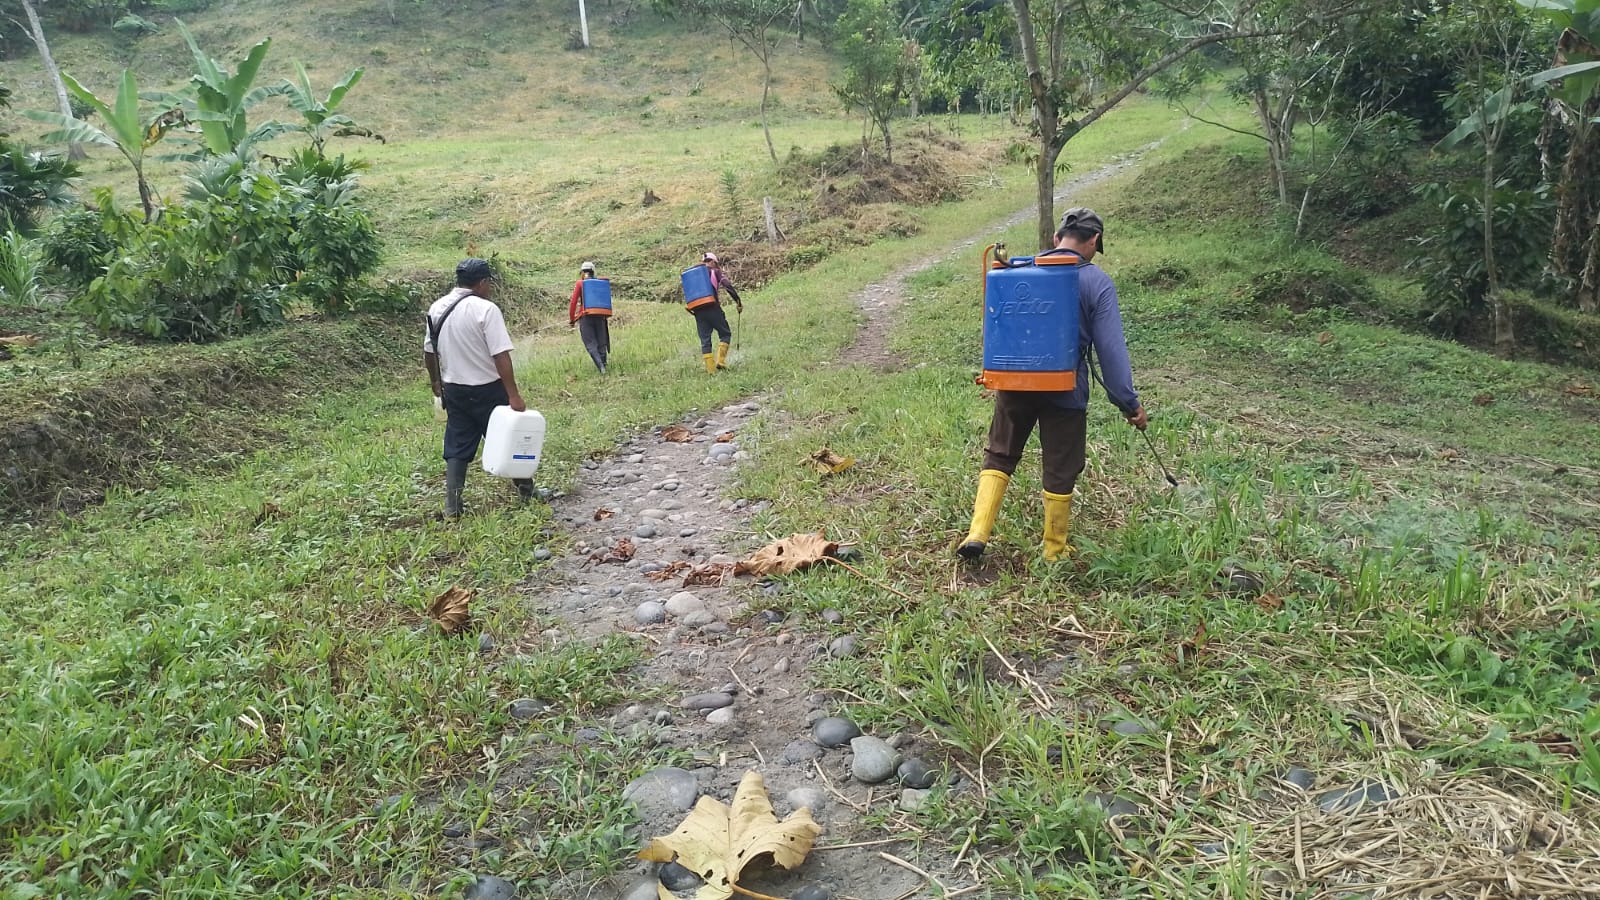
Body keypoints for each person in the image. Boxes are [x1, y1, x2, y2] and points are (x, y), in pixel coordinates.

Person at [957, 208, 1147, 562]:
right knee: (1060, 465)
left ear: (1057, 238)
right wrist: (1129, 403)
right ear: (1093, 241)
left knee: (1000, 453)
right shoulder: (1096, 283)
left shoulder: (1017, 271)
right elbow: (1111, 352)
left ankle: (977, 533)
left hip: (1014, 382)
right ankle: (1054, 549)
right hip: (1065, 390)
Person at [424, 257, 533, 518]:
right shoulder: (486, 309)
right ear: (482, 282)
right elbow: (500, 355)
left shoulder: (437, 307)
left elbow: (429, 350)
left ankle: (452, 506)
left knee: (457, 444)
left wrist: (436, 382)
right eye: (489, 283)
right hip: (488, 389)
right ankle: (528, 492)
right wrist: (514, 395)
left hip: (454, 389)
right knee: (508, 439)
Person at [692, 251, 742, 373]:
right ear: (713, 262)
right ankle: (721, 362)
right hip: (712, 307)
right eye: (716, 263)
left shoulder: (694, 274)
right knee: (725, 334)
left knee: (705, 340)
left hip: (698, 311)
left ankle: (711, 371)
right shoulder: (715, 271)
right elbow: (727, 285)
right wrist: (738, 301)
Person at [568, 260, 611, 374]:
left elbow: (573, 302)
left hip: (586, 317)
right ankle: (604, 366)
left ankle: (601, 368)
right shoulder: (600, 283)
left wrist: (572, 319)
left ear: (582, 273)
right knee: (601, 343)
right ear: (593, 272)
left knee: (591, 344)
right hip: (600, 316)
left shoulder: (580, 284)